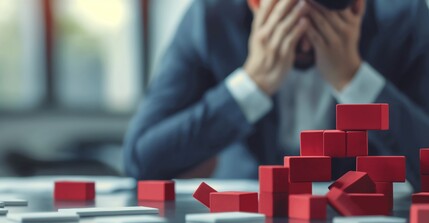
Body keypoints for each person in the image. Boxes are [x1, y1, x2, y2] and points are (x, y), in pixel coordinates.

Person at [124, 0, 429, 191]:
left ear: (357, 6)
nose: (306, 40)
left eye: (322, 11)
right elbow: (141, 160)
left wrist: (356, 80)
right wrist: (252, 84)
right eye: (288, 10)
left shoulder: (403, 19)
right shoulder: (212, 19)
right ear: (255, 3)